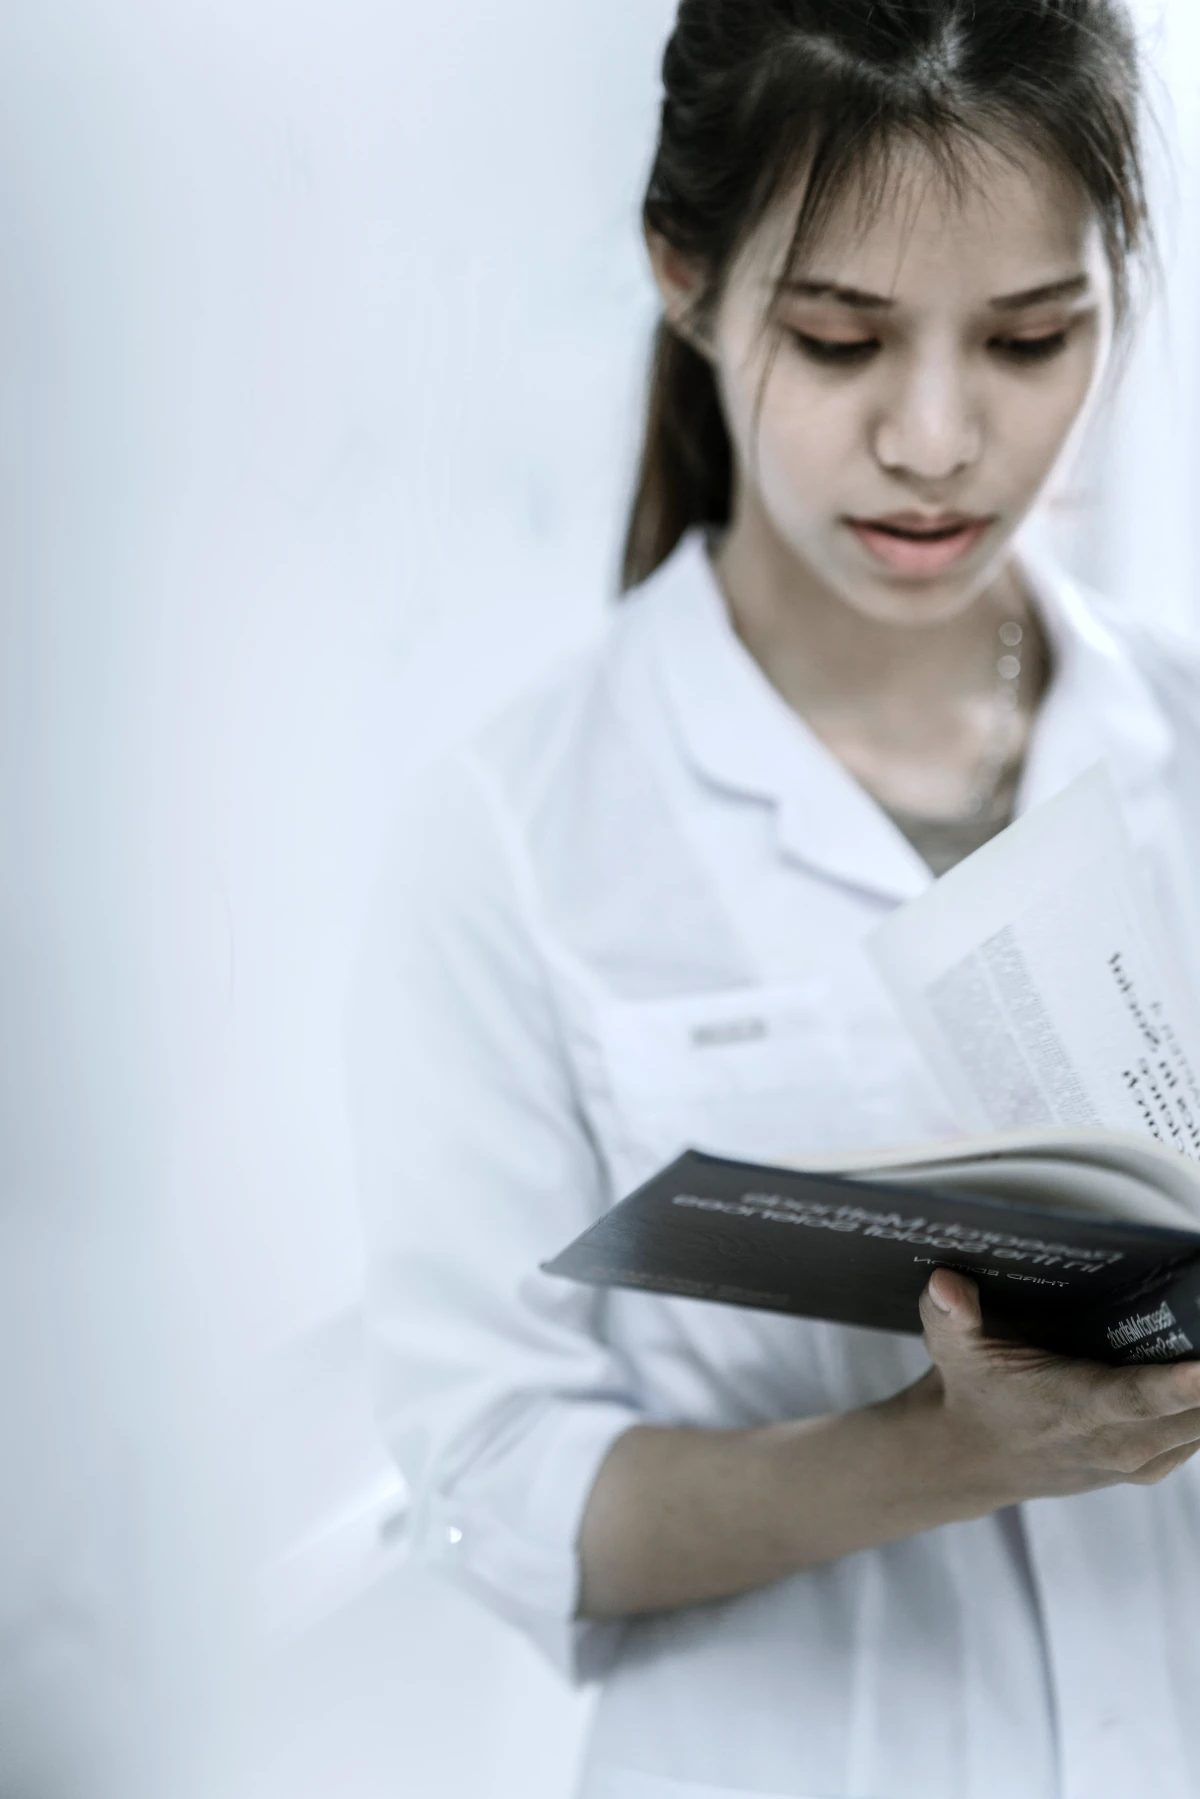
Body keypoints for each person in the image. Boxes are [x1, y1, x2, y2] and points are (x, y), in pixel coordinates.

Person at [347, 4, 1200, 1795]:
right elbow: (495, 1481)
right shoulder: (511, 836)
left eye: (1035, 338)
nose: (941, 437)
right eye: (840, 339)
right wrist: (949, 1451)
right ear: (689, 277)